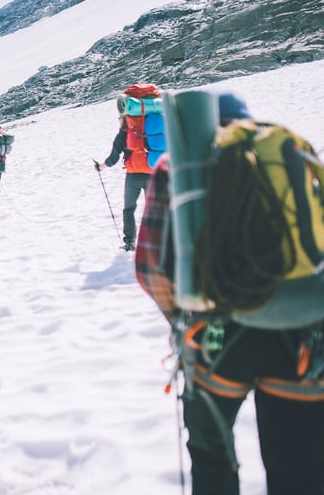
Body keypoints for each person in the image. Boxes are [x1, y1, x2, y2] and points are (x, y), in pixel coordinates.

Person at [136, 93, 324, 494]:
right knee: (299, 468)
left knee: (213, 460)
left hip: (215, 340)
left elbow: (151, 268)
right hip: (300, 338)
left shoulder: (182, 167)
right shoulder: (288, 154)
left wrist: (187, 315)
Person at [96, 116, 151, 251]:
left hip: (133, 176)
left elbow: (114, 157)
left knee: (129, 209)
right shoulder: (150, 128)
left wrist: (101, 166)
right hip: (153, 173)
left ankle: (130, 242)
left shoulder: (123, 134)